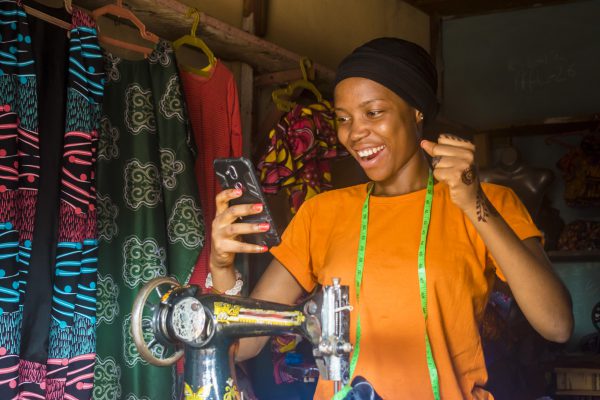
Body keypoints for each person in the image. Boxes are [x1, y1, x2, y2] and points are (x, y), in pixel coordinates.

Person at [208, 38, 573, 399]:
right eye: (344, 119)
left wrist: (473, 202)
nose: (355, 133)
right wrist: (222, 266)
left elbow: (557, 325)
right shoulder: (322, 213)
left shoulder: (488, 203)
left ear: (417, 112)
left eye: (374, 112)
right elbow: (245, 346)